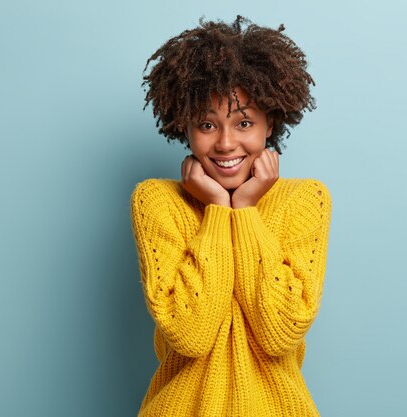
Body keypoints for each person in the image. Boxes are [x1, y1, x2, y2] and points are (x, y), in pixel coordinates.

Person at [130, 15, 332, 417]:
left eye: (244, 123)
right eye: (207, 124)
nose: (225, 143)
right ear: (183, 124)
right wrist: (219, 210)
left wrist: (246, 210)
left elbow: (281, 331)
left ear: (269, 123)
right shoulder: (156, 201)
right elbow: (190, 334)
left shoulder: (307, 200)